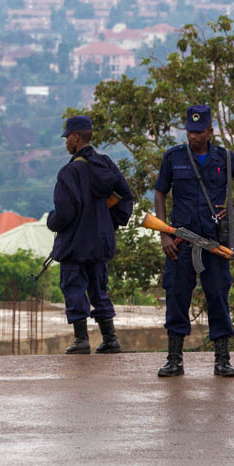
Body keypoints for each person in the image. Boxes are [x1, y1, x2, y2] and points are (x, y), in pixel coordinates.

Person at [154, 105, 234, 377]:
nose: (193, 137)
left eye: (199, 132)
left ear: (210, 131)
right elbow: (160, 192)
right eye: (190, 131)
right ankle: (174, 359)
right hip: (180, 241)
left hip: (214, 243)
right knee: (177, 297)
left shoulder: (224, 157)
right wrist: (164, 232)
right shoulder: (174, 157)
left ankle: (222, 359)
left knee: (218, 297)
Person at [46, 115, 134, 354]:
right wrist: (108, 224)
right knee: (99, 288)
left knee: (73, 287)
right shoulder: (106, 165)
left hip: (75, 244)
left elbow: (64, 213)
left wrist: (51, 222)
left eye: (67, 138)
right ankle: (110, 339)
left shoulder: (69, 172)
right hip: (101, 242)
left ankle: (81, 340)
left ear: (76, 138)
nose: (66, 143)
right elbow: (126, 198)